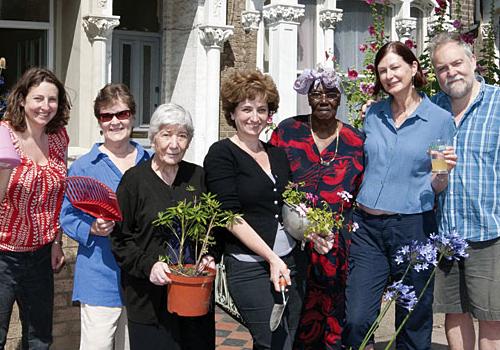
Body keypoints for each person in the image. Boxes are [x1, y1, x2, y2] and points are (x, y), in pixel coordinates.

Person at [343, 41, 457, 350]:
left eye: (395, 67)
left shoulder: (439, 120)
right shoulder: (373, 114)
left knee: (413, 318)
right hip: (367, 228)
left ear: (413, 67)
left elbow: (438, 184)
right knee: (356, 318)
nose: (389, 75)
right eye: (382, 71)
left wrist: (441, 173)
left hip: (412, 227)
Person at [204, 68, 302, 350]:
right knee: (273, 341)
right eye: (246, 109)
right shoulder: (222, 154)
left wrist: (312, 230)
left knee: (287, 340)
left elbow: (288, 204)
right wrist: (272, 258)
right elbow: (228, 216)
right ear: (232, 113)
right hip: (249, 267)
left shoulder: (277, 154)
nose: (255, 117)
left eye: (262, 109)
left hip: (289, 262)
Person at [270, 66, 365, 349]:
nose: (324, 100)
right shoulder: (288, 131)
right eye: (316, 94)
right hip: (293, 244)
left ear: (340, 99)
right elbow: (271, 179)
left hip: (339, 246)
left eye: (331, 94)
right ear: (308, 98)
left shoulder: (355, 140)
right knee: (296, 316)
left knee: (336, 315)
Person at [109, 103, 214, 350]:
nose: (174, 144)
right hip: (148, 300)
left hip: (194, 295)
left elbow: (213, 228)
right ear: (153, 138)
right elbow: (120, 239)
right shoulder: (134, 181)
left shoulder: (198, 178)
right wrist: (150, 266)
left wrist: (209, 255)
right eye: (166, 135)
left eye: (182, 135)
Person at [60, 84, 150, 350]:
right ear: (99, 120)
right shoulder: (85, 166)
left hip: (142, 276)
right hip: (100, 273)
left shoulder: (150, 161)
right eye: (106, 116)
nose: (115, 122)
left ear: (132, 116)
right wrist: (91, 228)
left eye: (122, 114)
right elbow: (66, 214)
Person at [429, 32, 500, 350]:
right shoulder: (433, 110)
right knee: (453, 312)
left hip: (490, 231)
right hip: (445, 232)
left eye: (457, 63)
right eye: (442, 68)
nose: (451, 72)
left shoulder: (497, 103)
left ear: (473, 62)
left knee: (492, 316)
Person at [0, 67, 71, 348]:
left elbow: (57, 197)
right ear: (22, 100)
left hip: (41, 255)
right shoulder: (4, 135)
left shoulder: (58, 138)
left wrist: (56, 242)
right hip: (3, 256)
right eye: (38, 98)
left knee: (39, 338)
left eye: (52, 100)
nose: (45, 106)